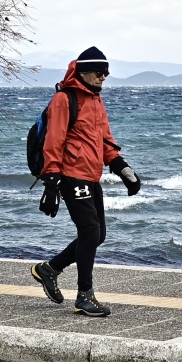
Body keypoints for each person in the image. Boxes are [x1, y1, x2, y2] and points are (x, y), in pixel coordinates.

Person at [31, 46, 142, 317]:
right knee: (90, 232)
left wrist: (121, 166)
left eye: (106, 73)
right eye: (99, 72)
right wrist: (51, 182)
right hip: (70, 174)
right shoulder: (64, 99)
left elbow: (104, 140)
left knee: (98, 234)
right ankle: (84, 296)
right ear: (83, 72)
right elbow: (54, 142)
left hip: (91, 174)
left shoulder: (95, 100)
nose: (103, 77)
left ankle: (49, 269)